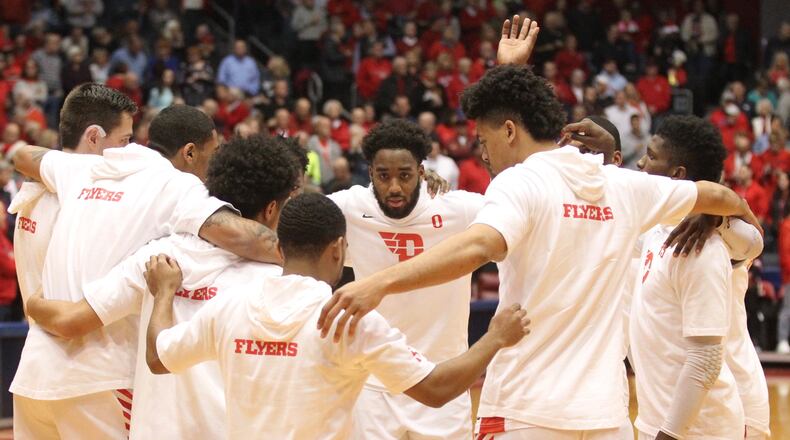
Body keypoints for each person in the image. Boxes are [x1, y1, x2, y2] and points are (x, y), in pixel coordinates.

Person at [317, 18, 761, 439]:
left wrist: (378, 284)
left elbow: (476, 246)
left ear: (509, 131)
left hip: (524, 411)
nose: (485, 156)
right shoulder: (623, 184)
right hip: (606, 417)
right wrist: (724, 215)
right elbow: (719, 196)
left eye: (486, 141)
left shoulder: (519, 182)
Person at [144, 192, 531, 439]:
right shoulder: (347, 318)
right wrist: (495, 337)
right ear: (338, 250)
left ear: (279, 248)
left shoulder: (230, 306)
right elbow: (435, 390)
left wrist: (164, 293)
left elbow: (159, 358)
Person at [9, 104, 282, 439]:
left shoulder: (90, 167)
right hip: (98, 375)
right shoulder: (178, 186)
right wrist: (314, 254)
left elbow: (22, 154)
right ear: (190, 152)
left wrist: (33, 304)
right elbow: (241, 235)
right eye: (213, 154)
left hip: (33, 374)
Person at [325, 119, 485, 439]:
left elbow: (527, 214)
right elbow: (294, 223)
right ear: (370, 173)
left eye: (405, 175)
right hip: (373, 383)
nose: (394, 187)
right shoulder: (347, 207)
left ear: (422, 173)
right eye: (384, 176)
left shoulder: (460, 209)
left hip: (443, 378)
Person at [633, 115, 757, 439]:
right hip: (658, 419)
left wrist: (669, 434)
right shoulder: (656, 228)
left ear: (678, 174)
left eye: (652, 155)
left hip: (698, 430)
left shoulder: (703, 246)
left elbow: (705, 359)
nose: (641, 163)